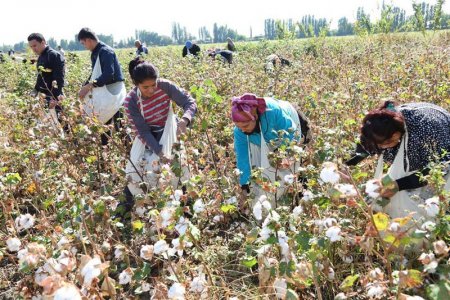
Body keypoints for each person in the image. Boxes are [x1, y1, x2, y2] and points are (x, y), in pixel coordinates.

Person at [120, 57, 197, 216]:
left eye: (153, 85)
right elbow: (143, 131)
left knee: (178, 164)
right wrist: (159, 151)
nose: (151, 90)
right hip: (148, 134)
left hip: (170, 128)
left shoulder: (165, 86)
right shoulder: (130, 101)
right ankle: (127, 205)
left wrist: (184, 120)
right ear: (136, 85)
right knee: (136, 167)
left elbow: (189, 102)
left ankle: (185, 204)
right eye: (145, 87)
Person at [346, 101, 450, 218]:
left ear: (395, 136)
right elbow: (364, 148)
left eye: (381, 145)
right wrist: (345, 167)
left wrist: (398, 185)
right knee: (390, 188)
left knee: (433, 201)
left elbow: (436, 171)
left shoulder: (427, 132)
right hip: (420, 147)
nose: (378, 149)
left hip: (442, 158)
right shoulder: (379, 126)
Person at [232, 94, 310, 207]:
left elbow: (293, 135)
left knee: (298, 169)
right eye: (238, 126)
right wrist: (245, 187)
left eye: (245, 125)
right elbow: (243, 159)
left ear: (255, 116)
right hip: (270, 140)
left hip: (295, 124)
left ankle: (301, 202)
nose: (242, 130)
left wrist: (285, 157)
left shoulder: (273, 113)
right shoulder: (239, 132)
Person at [77, 27, 126, 146]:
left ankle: (131, 155)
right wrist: (85, 85)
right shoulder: (95, 53)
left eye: (83, 43)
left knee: (119, 127)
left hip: (113, 94)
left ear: (89, 40)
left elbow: (109, 74)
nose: (84, 46)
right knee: (104, 126)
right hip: (105, 94)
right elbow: (96, 73)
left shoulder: (105, 51)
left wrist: (89, 86)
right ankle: (106, 158)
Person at [27, 33, 66, 128]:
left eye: (35, 45)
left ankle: (72, 142)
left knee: (63, 124)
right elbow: (41, 77)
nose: (33, 49)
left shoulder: (53, 55)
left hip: (54, 96)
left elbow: (59, 79)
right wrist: (35, 90)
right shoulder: (41, 56)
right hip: (44, 96)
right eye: (31, 46)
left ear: (43, 42)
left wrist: (55, 98)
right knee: (46, 126)